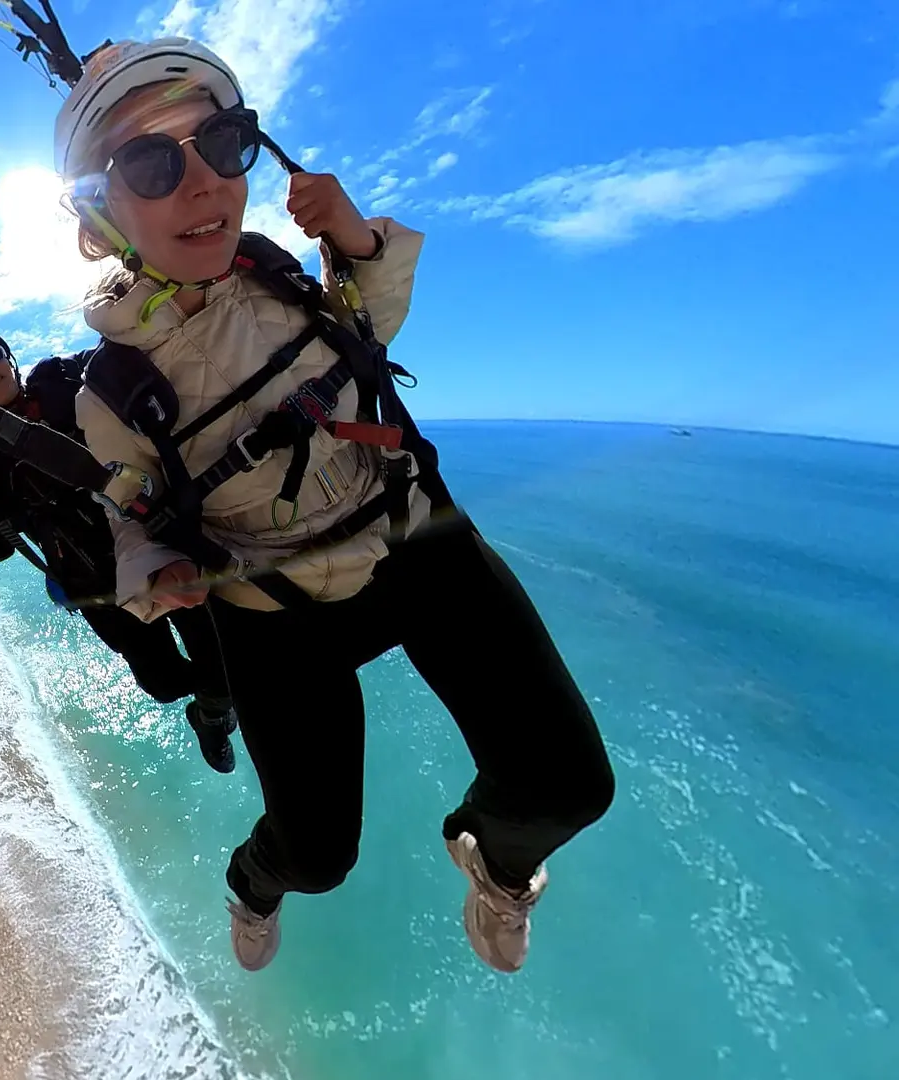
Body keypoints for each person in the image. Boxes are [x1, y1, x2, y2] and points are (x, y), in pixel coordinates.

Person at [52, 37, 615, 974]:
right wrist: (159, 572)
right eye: (152, 162)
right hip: (273, 606)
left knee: (567, 784)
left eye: (222, 142)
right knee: (317, 857)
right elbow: (128, 519)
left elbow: (363, 339)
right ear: (98, 214)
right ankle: (252, 881)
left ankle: (497, 864)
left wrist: (357, 243)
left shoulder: (282, 278)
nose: (203, 184)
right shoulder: (111, 393)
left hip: (409, 539)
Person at [0, 325, 241, 773]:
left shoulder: (66, 380)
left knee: (218, 661)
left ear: (11, 359)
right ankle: (201, 705)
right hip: (96, 584)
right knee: (163, 683)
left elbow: (121, 356)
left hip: (157, 537)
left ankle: (217, 711)